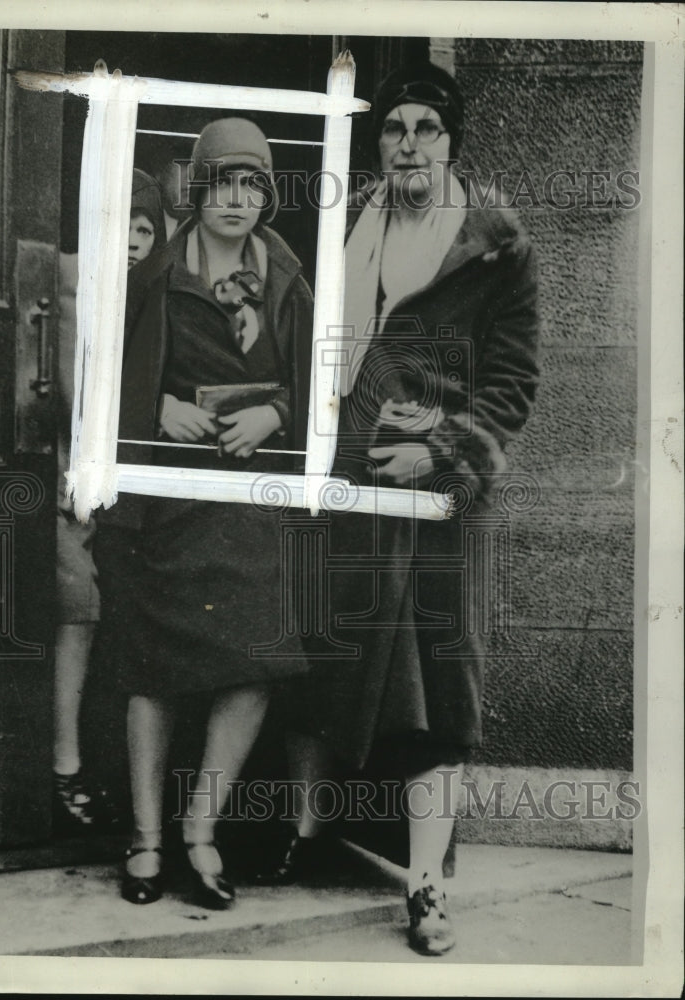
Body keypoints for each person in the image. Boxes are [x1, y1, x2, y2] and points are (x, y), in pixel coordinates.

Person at [259, 62, 540, 957]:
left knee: (435, 690)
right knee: (321, 657)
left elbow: (513, 383)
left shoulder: (496, 247)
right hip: (346, 478)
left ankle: (424, 888)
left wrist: (443, 451)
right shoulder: (356, 224)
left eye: (427, 126)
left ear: (452, 141)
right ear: (378, 142)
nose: (410, 143)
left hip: (438, 501)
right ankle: (304, 837)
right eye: (395, 128)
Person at [93, 118, 313, 907]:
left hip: (252, 503)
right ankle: (147, 841)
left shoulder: (287, 278)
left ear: (267, 194)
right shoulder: (155, 273)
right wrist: (157, 410)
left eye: (252, 184)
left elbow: (319, 385)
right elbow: (104, 371)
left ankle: (201, 831)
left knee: (256, 665)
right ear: (197, 186)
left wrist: (277, 415)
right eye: (221, 182)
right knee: (152, 669)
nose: (235, 199)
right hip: (168, 500)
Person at [52, 168, 164, 833]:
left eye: (144, 229)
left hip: (119, 492)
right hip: (66, 483)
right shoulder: (71, 287)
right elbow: (68, 402)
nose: (129, 241)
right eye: (118, 225)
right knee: (78, 603)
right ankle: (64, 766)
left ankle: (105, 776)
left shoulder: (155, 294)